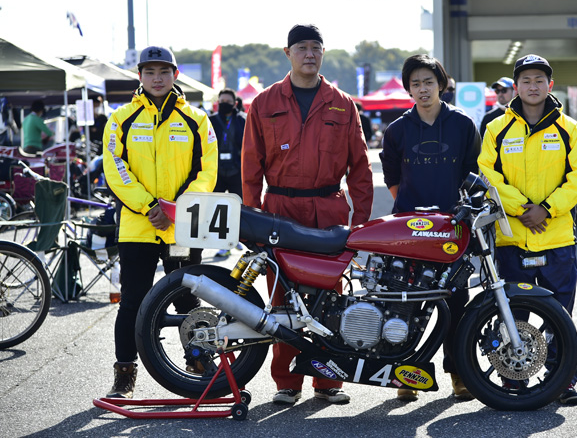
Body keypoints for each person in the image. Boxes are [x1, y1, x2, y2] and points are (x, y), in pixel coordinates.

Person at [241, 23, 373, 406]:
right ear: (288, 54)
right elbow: (251, 165)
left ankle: (327, 381)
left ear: (323, 53)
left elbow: (360, 168)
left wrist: (360, 223)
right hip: (279, 210)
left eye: (316, 47)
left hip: (328, 211)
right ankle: (287, 382)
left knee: (328, 298)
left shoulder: (342, 104)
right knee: (282, 299)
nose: (309, 54)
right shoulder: (264, 103)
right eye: (302, 48)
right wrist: (251, 217)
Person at [102, 46, 218, 399]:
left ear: (175, 75)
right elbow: (114, 168)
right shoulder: (121, 118)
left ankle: (196, 361)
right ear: (139, 76)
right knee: (133, 302)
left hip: (182, 226)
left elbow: (207, 170)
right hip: (137, 227)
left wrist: (176, 208)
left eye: (163, 71)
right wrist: (149, 205)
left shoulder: (196, 119)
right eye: (150, 72)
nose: (157, 78)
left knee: (186, 299)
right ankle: (124, 374)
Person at [478, 54, 577, 405]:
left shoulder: (568, 128)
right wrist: (522, 208)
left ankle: (563, 381)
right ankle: (513, 378)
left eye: (539, 80)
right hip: (512, 236)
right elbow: (487, 174)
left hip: (556, 238)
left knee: (560, 315)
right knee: (512, 313)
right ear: (516, 87)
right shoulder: (497, 128)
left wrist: (547, 209)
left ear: (550, 85)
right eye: (526, 80)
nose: (532, 86)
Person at [380, 54, 480, 403]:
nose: (422, 90)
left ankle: (459, 375)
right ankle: (406, 375)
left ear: (442, 84)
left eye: (428, 82)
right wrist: (409, 207)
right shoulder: (397, 130)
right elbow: (391, 176)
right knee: (405, 304)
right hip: (408, 232)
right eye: (415, 84)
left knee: (455, 304)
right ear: (408, 88)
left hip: (452, 230)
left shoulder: (463, 125)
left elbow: (472, 173)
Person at [210, 88, 247, 257]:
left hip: (237, 171)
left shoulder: (242, 121)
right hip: (216, 171)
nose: (224, 105)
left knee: (237, 207)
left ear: (235, 104)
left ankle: (236, 237)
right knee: (218, 208)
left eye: (227, 102)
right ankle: (224, 242)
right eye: (221, 102)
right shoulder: (210, 120)